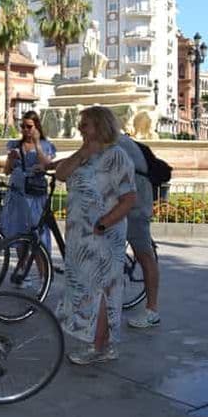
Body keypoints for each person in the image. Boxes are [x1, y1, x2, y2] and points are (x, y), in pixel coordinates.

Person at [55, 106, 136, 365]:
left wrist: (103, 224)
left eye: (86, 124)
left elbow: (129, 198)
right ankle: (105, 342)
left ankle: (97, 346)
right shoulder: (86, 155)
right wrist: (81, 153)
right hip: (79, 235)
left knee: (100, 289)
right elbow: (60, 174)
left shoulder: (117, 156)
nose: (80, 128)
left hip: (103, 234)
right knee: (84, 287)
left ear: (100, 126)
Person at [117, 133, 161, 328]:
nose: (82, 131)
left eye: (85, 125)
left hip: (137, 204)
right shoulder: (111, 141)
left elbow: (82, 159)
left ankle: (152, 311)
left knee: (143, 254)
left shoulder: (114, 143)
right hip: (124, 200)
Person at [0, 110, 56, 252]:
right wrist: (11, 159)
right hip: (17, 193)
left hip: (35, 194)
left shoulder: (45, 145)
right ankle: (21, 269)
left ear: (36, 126)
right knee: (20, 232)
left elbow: (48, 165)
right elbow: (6, 171)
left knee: (38, 233)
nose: (25, 130)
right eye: (23, 126)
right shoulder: (15, 145)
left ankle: (44, 271)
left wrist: (37, 145)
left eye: (29, 126)